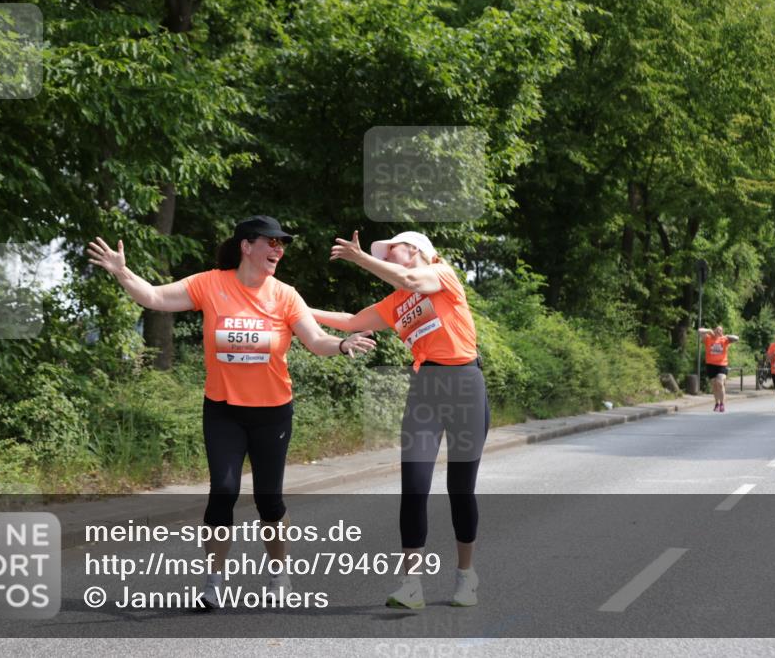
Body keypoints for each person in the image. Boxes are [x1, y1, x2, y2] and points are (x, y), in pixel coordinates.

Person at [87, 216, 376, 611]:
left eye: (282, 245)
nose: (279, 250)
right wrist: (123, 274)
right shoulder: (211, 284)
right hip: (223, 409)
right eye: (271, 243)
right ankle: (214, 580)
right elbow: (154, 297)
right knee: (222, 492)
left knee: (268, 501)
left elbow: (316, 339)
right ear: (246, 246)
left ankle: (278, 571)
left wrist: (341, 346)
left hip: (273, 412)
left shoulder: (285, 296)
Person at [311, 231, 487, 608]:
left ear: (419, 251)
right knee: (414, 486)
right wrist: (293, 308)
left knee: (460, 489)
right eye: (385, 252)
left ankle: (466, 576)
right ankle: (411, 583)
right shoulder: (397, 301)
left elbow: (410, 279)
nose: (388, 255)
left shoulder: (443, 275)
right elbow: (351, 321)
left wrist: (359, 258)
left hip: (465, 386)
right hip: (425, 390)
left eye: (395, 249)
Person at [697, 325, 740, 412]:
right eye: (717, 330)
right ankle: (717, 403)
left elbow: (736, 338)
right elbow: (699, 331)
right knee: (714, 385)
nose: (718, 332)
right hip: (710, 364)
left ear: (722, 332)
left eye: (720, 330)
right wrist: (709, 330)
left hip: (722, 365)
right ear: (714, 330)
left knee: (719, 383)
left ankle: (722, 404)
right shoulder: (708, 338)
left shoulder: (724, 340)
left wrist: (727, 336)